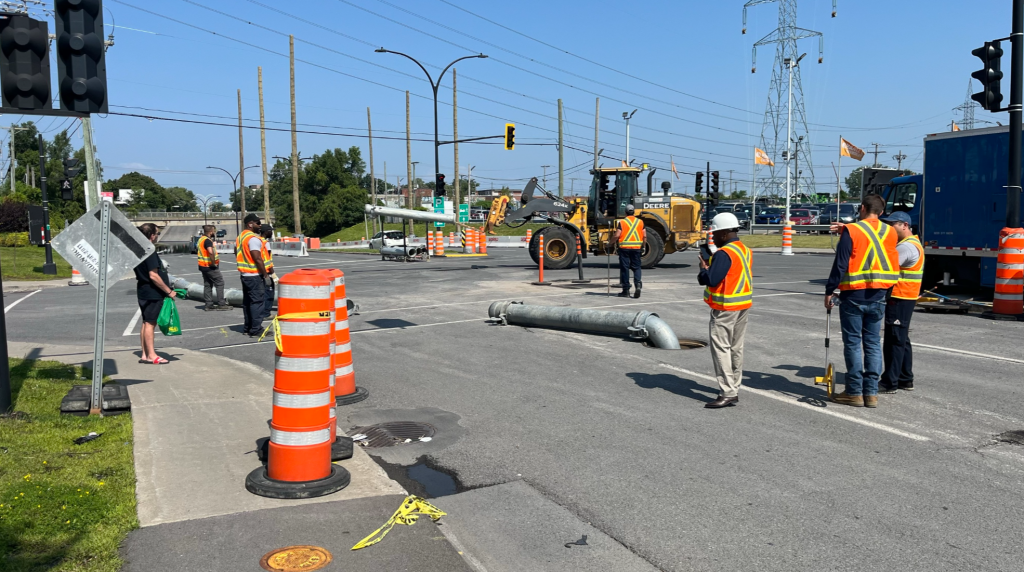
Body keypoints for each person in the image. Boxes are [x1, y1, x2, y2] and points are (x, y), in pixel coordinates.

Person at [823, 194, 899, 408]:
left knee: (854, 343)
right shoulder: (890, 231)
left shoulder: (853, 230)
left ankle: (854, 391)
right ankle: (871, 393)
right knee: (873, 343)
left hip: (854, 295)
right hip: (879, 294)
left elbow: (841, 264)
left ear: (863, 208)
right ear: (882, 212)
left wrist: (830, 290)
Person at [698, 212, 753, 409]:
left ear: (723, 233)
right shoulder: (744, 250)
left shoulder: (724, 254)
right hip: (742, 305)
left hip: (725, 308)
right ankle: (734, 387)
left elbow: (711, 280)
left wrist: (704, 268)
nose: (712, 237)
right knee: (736, 348)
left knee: (721, 349)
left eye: (714, 233)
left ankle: (727, 391)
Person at [879, 211, 923, 393]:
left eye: (893, 225)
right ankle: (905, 378)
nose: (889, 228)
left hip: (899, 297)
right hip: (906, 297)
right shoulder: (913, 243)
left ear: (904, 225)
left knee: (894, 340)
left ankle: (890, 382)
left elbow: (886, 268)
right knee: (902, 339)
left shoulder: (905, 247)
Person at [134, 223, 179, 365]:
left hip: (143, 289)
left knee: (146, 322)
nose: (157, 236)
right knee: (150, 323)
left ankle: (144, 354)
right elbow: (153, 275)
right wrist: (169, 291)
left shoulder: (138, 249)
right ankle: (152, 356)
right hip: (152, 292)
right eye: (157, 233)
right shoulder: (149, 250)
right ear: (152, 236)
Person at [236, 214, 269, 337]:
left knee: (248, 302)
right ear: (250, 224)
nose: (260, 225)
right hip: (254, 275)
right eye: (258, 223)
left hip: (245, 274)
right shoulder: (253, 239)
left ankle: (248, 327)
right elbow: (257, 258)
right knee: (257, 302)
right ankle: (256, 329)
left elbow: (237, 252)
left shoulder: (240, 237)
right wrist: (265, 275)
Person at [611, 204, 645, 298]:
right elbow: (644, 235)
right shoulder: (640, 222)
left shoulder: (622, 222)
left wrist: (610, 243)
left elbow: (617, 235)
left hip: (624, 249)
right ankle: (638, 284)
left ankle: (626, 291)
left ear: (625, 212)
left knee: (625, 269)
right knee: (637, 267)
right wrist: (644, 246)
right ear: (634, 212)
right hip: (636, 248)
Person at [197, 225, 231, 311]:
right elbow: (210, 252)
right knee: (219, 283)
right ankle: (221, 304)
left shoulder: (201, 239)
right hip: (209, 266)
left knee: (208, 284)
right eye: (214, 231)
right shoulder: (208, 241)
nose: (214, 233)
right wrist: (213, 263)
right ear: (211, 231)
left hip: (202, 266)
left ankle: (208, 304)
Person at [259, 225, 276, 322]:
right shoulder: (265, 243)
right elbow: (268, 260)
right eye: (271, 231)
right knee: (269, 292)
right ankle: (266, 313)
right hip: (267, 272)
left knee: (262, 293)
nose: (272, 233)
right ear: (266, 232)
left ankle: (262, 312)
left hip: (259, 271)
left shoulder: (258, 241)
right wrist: (273, 274)